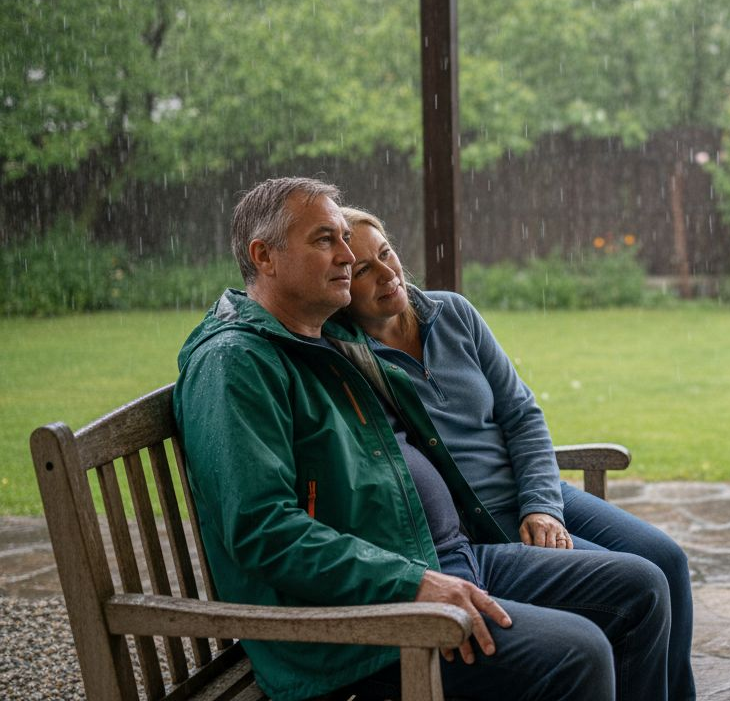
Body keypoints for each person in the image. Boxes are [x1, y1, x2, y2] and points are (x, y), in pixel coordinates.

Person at [174, 177, 670, 701]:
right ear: (264, 256)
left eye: (349, 240)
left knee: (641, 587)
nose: (347, 255)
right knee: (577, 651)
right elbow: (263, 531)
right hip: (365, 622)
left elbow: (504, 416)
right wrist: (411, 584)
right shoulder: (236, 364)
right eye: (326, 240)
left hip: (443, 558)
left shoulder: (324, 342)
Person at [337, 206, 697, 700]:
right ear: (339, 289)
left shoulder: (454, 313)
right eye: (362, 270)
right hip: (483, 522)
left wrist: (543, 503)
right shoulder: (354, 364)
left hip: (535, 491)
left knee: (668, 559)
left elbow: (521, 414)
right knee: (638, 590)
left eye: (386, 253)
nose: (387, 273)